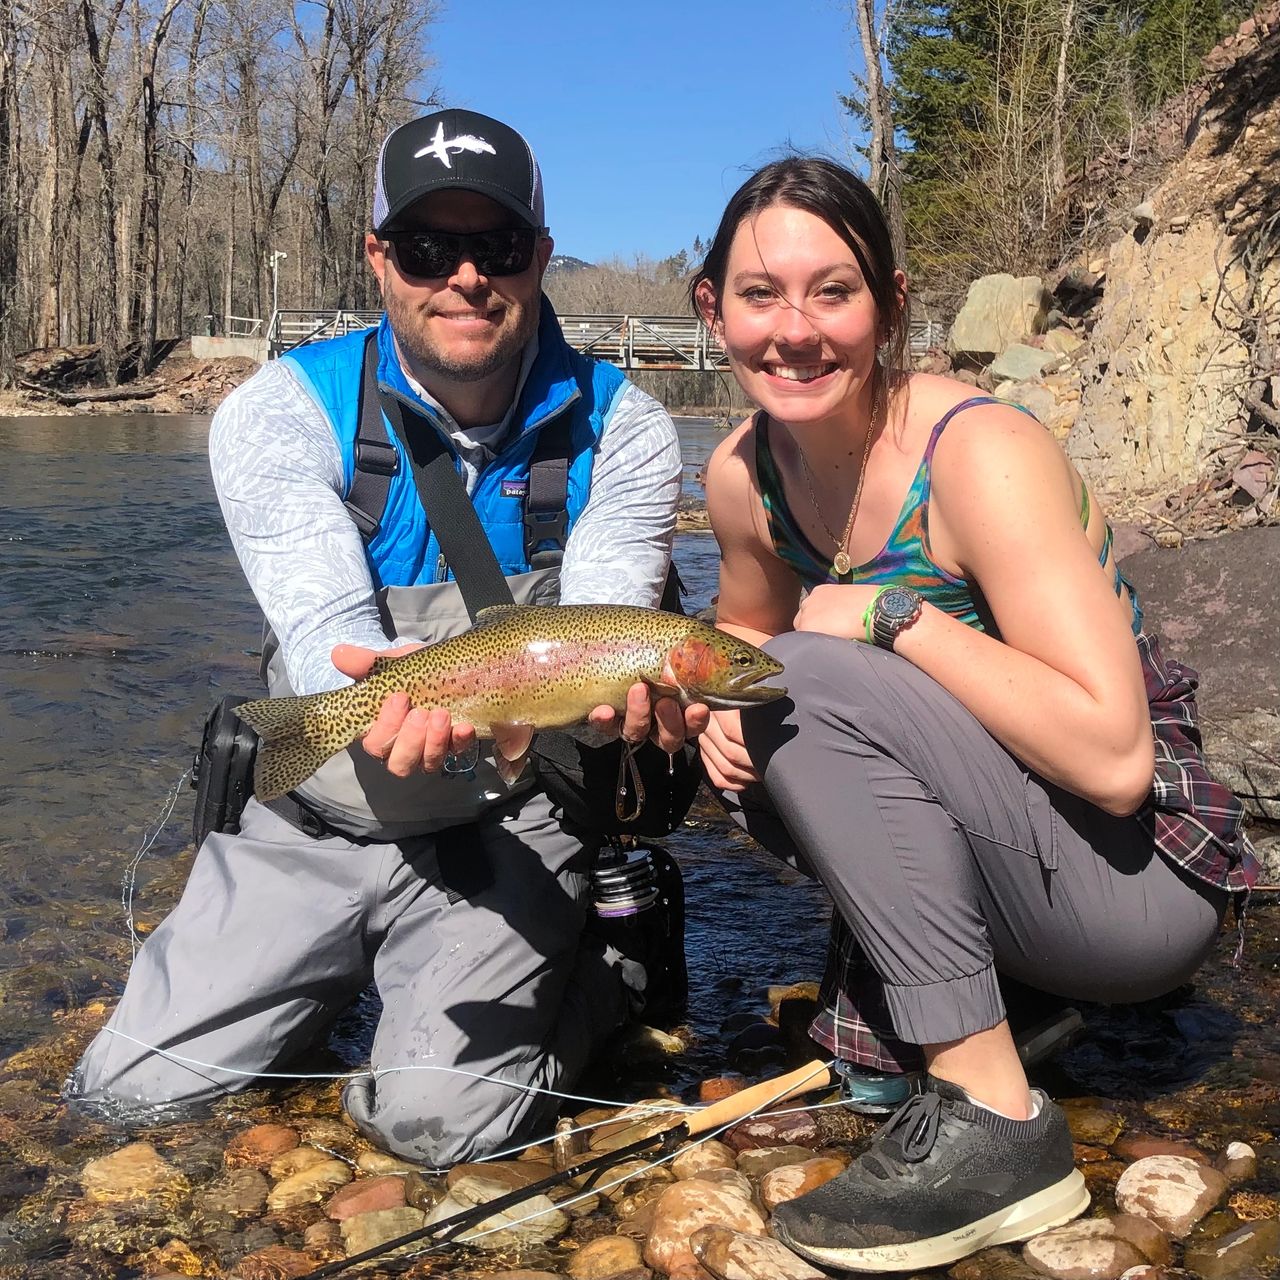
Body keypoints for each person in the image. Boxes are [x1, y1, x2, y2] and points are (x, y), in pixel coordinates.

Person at [67, 108, 706, 1166]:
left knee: (438, 1127)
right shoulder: (279, 411)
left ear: (540, 257)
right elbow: (324, 632)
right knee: (126, 1094)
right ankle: (301, 987)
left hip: (504, 824)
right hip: (317, 819)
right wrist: (365, 698)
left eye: (495, 246)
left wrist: (628, 704)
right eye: (426, 246)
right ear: (378, 257)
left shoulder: (623, 427)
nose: (464, 275)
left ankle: (607, 970)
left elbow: (603, 627)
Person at [691, 156, 1258, 1273]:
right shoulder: (739, 476)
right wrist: (713, 699)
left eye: (832, 291)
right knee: (771, 701)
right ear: (713, 308)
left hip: (1135, 888)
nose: (793, 329)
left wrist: (893, 617)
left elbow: (1110, 759)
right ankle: (970, 1004)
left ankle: (995, 1120)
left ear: (891, 306)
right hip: (1012, 877)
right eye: (759, 293)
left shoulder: (978, 455)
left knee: (812, 675)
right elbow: (742, 642)